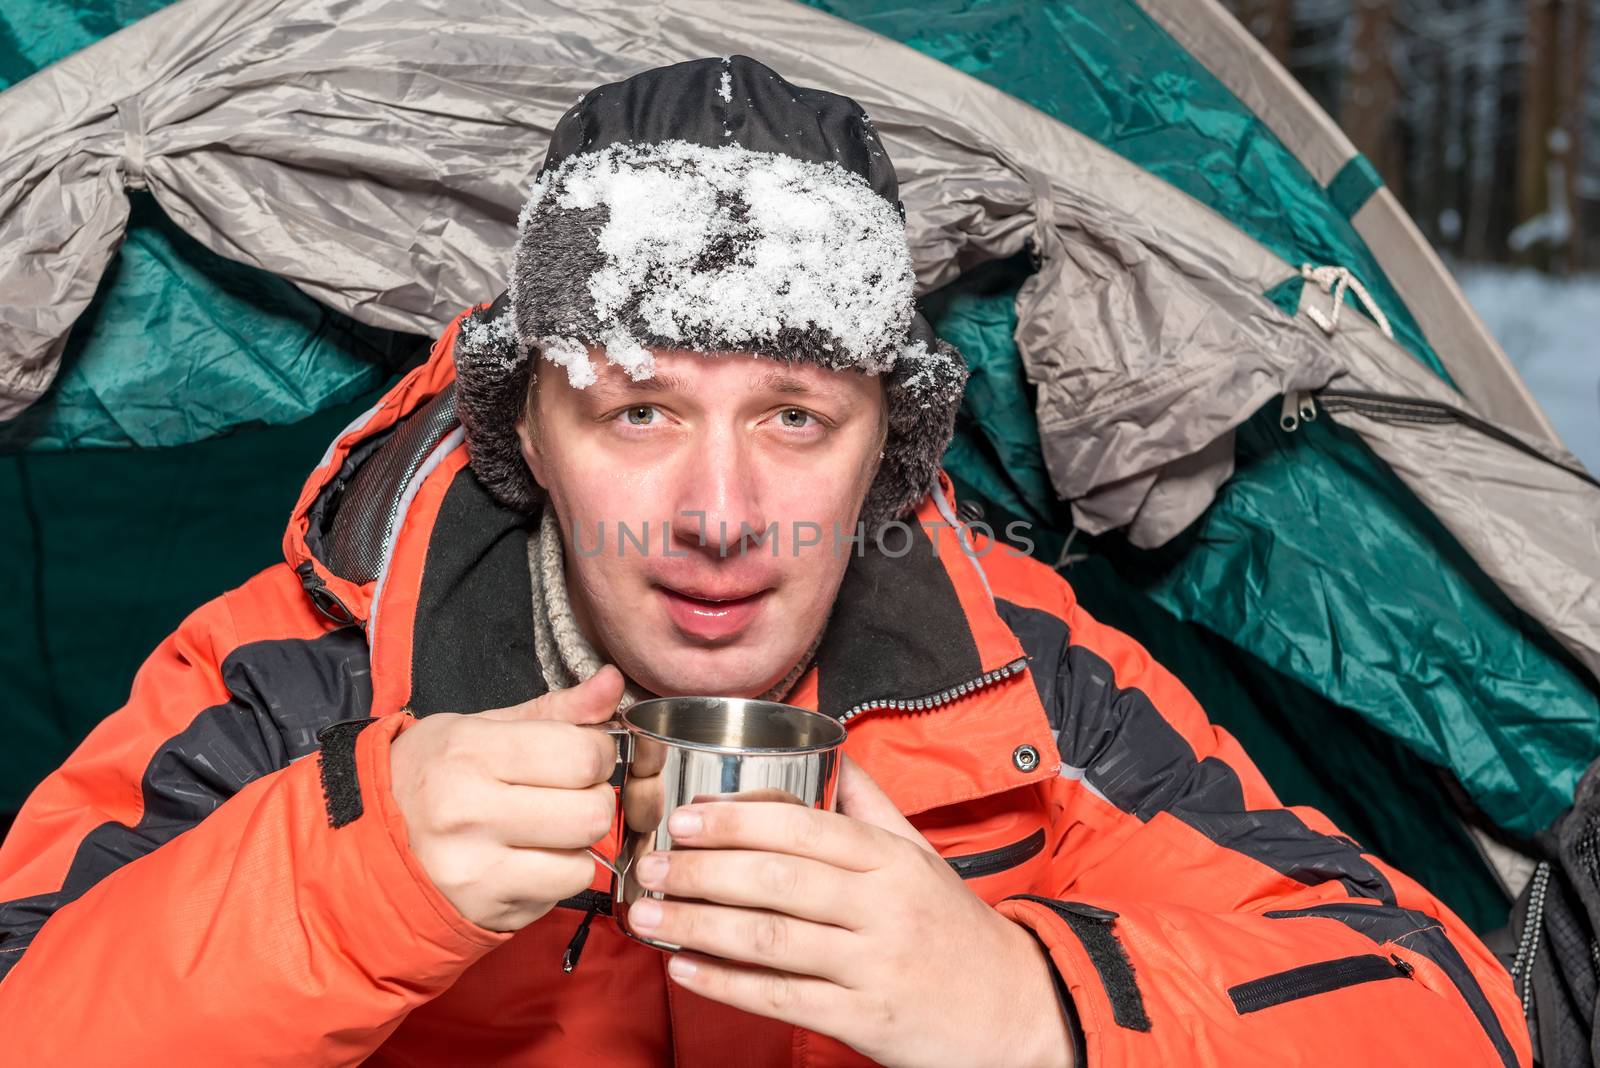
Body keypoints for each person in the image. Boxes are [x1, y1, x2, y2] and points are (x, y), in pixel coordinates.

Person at [0, 55, 1528, 1067]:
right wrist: (349, 883)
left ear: (891, 448)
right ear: (528, 428)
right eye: (641, 408)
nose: (720, 513)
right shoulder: (298, 681)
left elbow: (1452, 1016)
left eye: (796, 416)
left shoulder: (1023, 687)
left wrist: (1034, 1008)